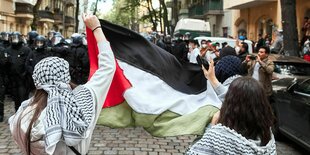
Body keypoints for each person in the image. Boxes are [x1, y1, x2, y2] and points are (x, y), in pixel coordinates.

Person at [9, 14, 116, 155]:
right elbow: (108, 67)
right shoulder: (82, 100)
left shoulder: (23, 114)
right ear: (65, 75)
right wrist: (96, 28)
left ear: (37, 80)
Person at [186, 77, 276, 154]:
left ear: (229, 105)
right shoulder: (268, 140)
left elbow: (194, 152)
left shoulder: (217, 139)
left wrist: (211, 127)